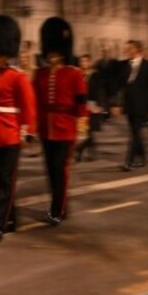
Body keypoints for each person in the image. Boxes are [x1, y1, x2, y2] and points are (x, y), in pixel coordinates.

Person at [0, 15, 36, 243]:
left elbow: (28, 107)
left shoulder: (18, 77)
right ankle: (12, 219)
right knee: (0, 180)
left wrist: (26, 132)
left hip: (10, 134)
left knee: (6, 181)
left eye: (1, 54)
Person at [33, 17, 88, 226]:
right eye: (50, 52)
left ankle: (58, 209)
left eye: (56, 52)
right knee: (50, 169)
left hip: (66, 127)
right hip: (47, 128)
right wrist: (35, 127)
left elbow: (81, 104)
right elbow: (37, 103)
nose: (52, 56)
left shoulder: (75, 74)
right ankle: (58, 204)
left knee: (60, 168)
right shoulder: (40, 74)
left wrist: (82, 129)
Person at [112, 40, 148, 170]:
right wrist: (116, 104)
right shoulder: (124, 65)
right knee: (135, 132)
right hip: (129, 104)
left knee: (135, 133)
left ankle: (129, 161)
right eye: (126, 49)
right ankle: (143, 157)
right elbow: (118, 86)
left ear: (137, 50)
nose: (126, 51)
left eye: (129, 48)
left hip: (143, 104)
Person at [75, 54, 105, 162]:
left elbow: (100, 90)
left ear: (90, 62)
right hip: (81, 105)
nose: (83, 63)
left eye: (85, 61)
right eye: (81, 61)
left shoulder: (95, 75)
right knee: (85, 131)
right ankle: (88, 152)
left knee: (90, 130)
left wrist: (100, 105)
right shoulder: (78, 74)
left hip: (92, 104)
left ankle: (80, 150)